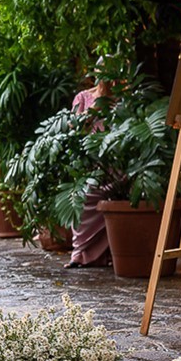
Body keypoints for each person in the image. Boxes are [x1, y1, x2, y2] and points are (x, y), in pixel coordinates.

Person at [66, 71, 112, 268]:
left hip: (117, 163)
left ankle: (110, 253)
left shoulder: (124, 98)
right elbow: (74, 128)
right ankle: (81, 253)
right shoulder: (83, 97)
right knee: (83, 195)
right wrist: (98, 102)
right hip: (90, 162)